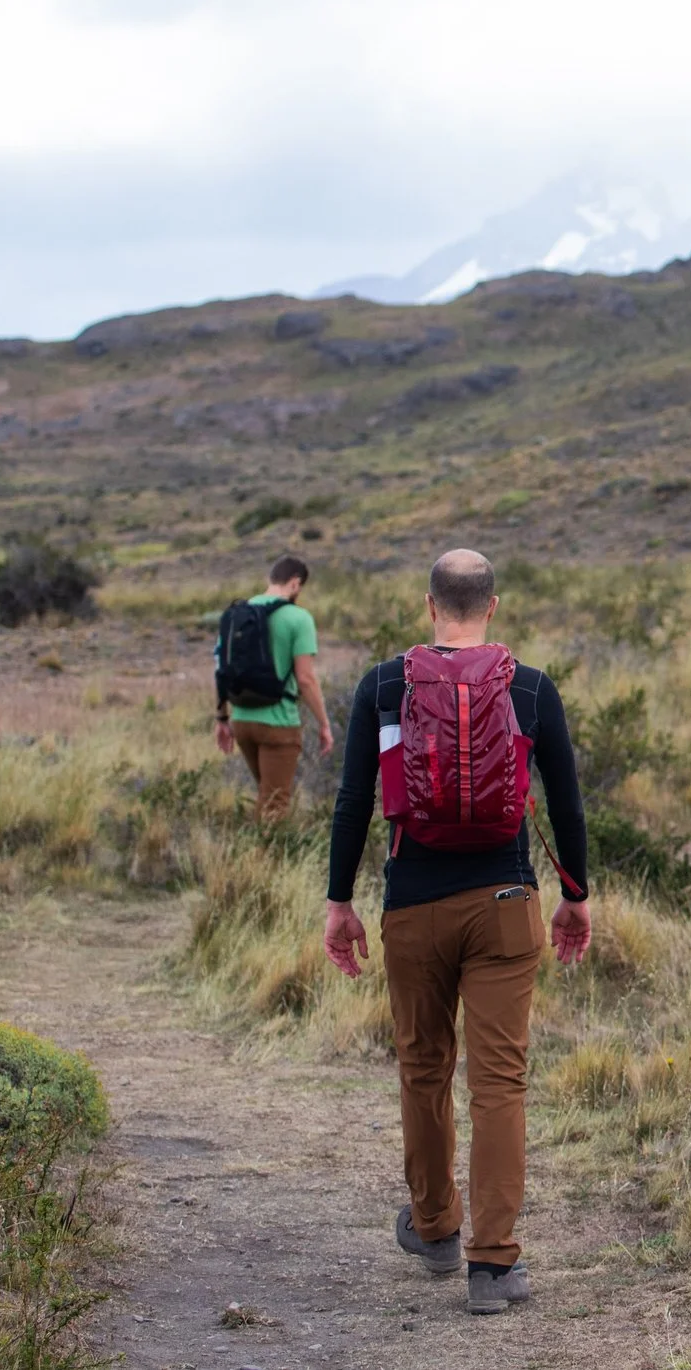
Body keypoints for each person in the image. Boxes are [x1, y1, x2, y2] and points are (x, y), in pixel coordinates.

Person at [322, 549, 591, 1317]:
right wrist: (575, 895)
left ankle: (436, 1228)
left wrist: (339, 902)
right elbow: (566, 804)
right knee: (499, 1082)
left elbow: (353, 802)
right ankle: (494, 1265)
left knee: (423, 1069)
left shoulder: (383, 686)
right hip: (506, 900)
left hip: (412, 905)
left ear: (429, 604)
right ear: (493, 607)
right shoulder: (530, 688)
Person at [214, 556, 333, 822]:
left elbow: (221, 669)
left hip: (241, 720)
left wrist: (221, 718)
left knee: (266, 794)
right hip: (278, 723)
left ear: (270, 579)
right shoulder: (298, 618)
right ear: (295, 583)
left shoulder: (235, 615)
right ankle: (262, 849)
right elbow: (305, 679)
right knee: (275, 804)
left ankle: (251, 844)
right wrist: (324, 724)